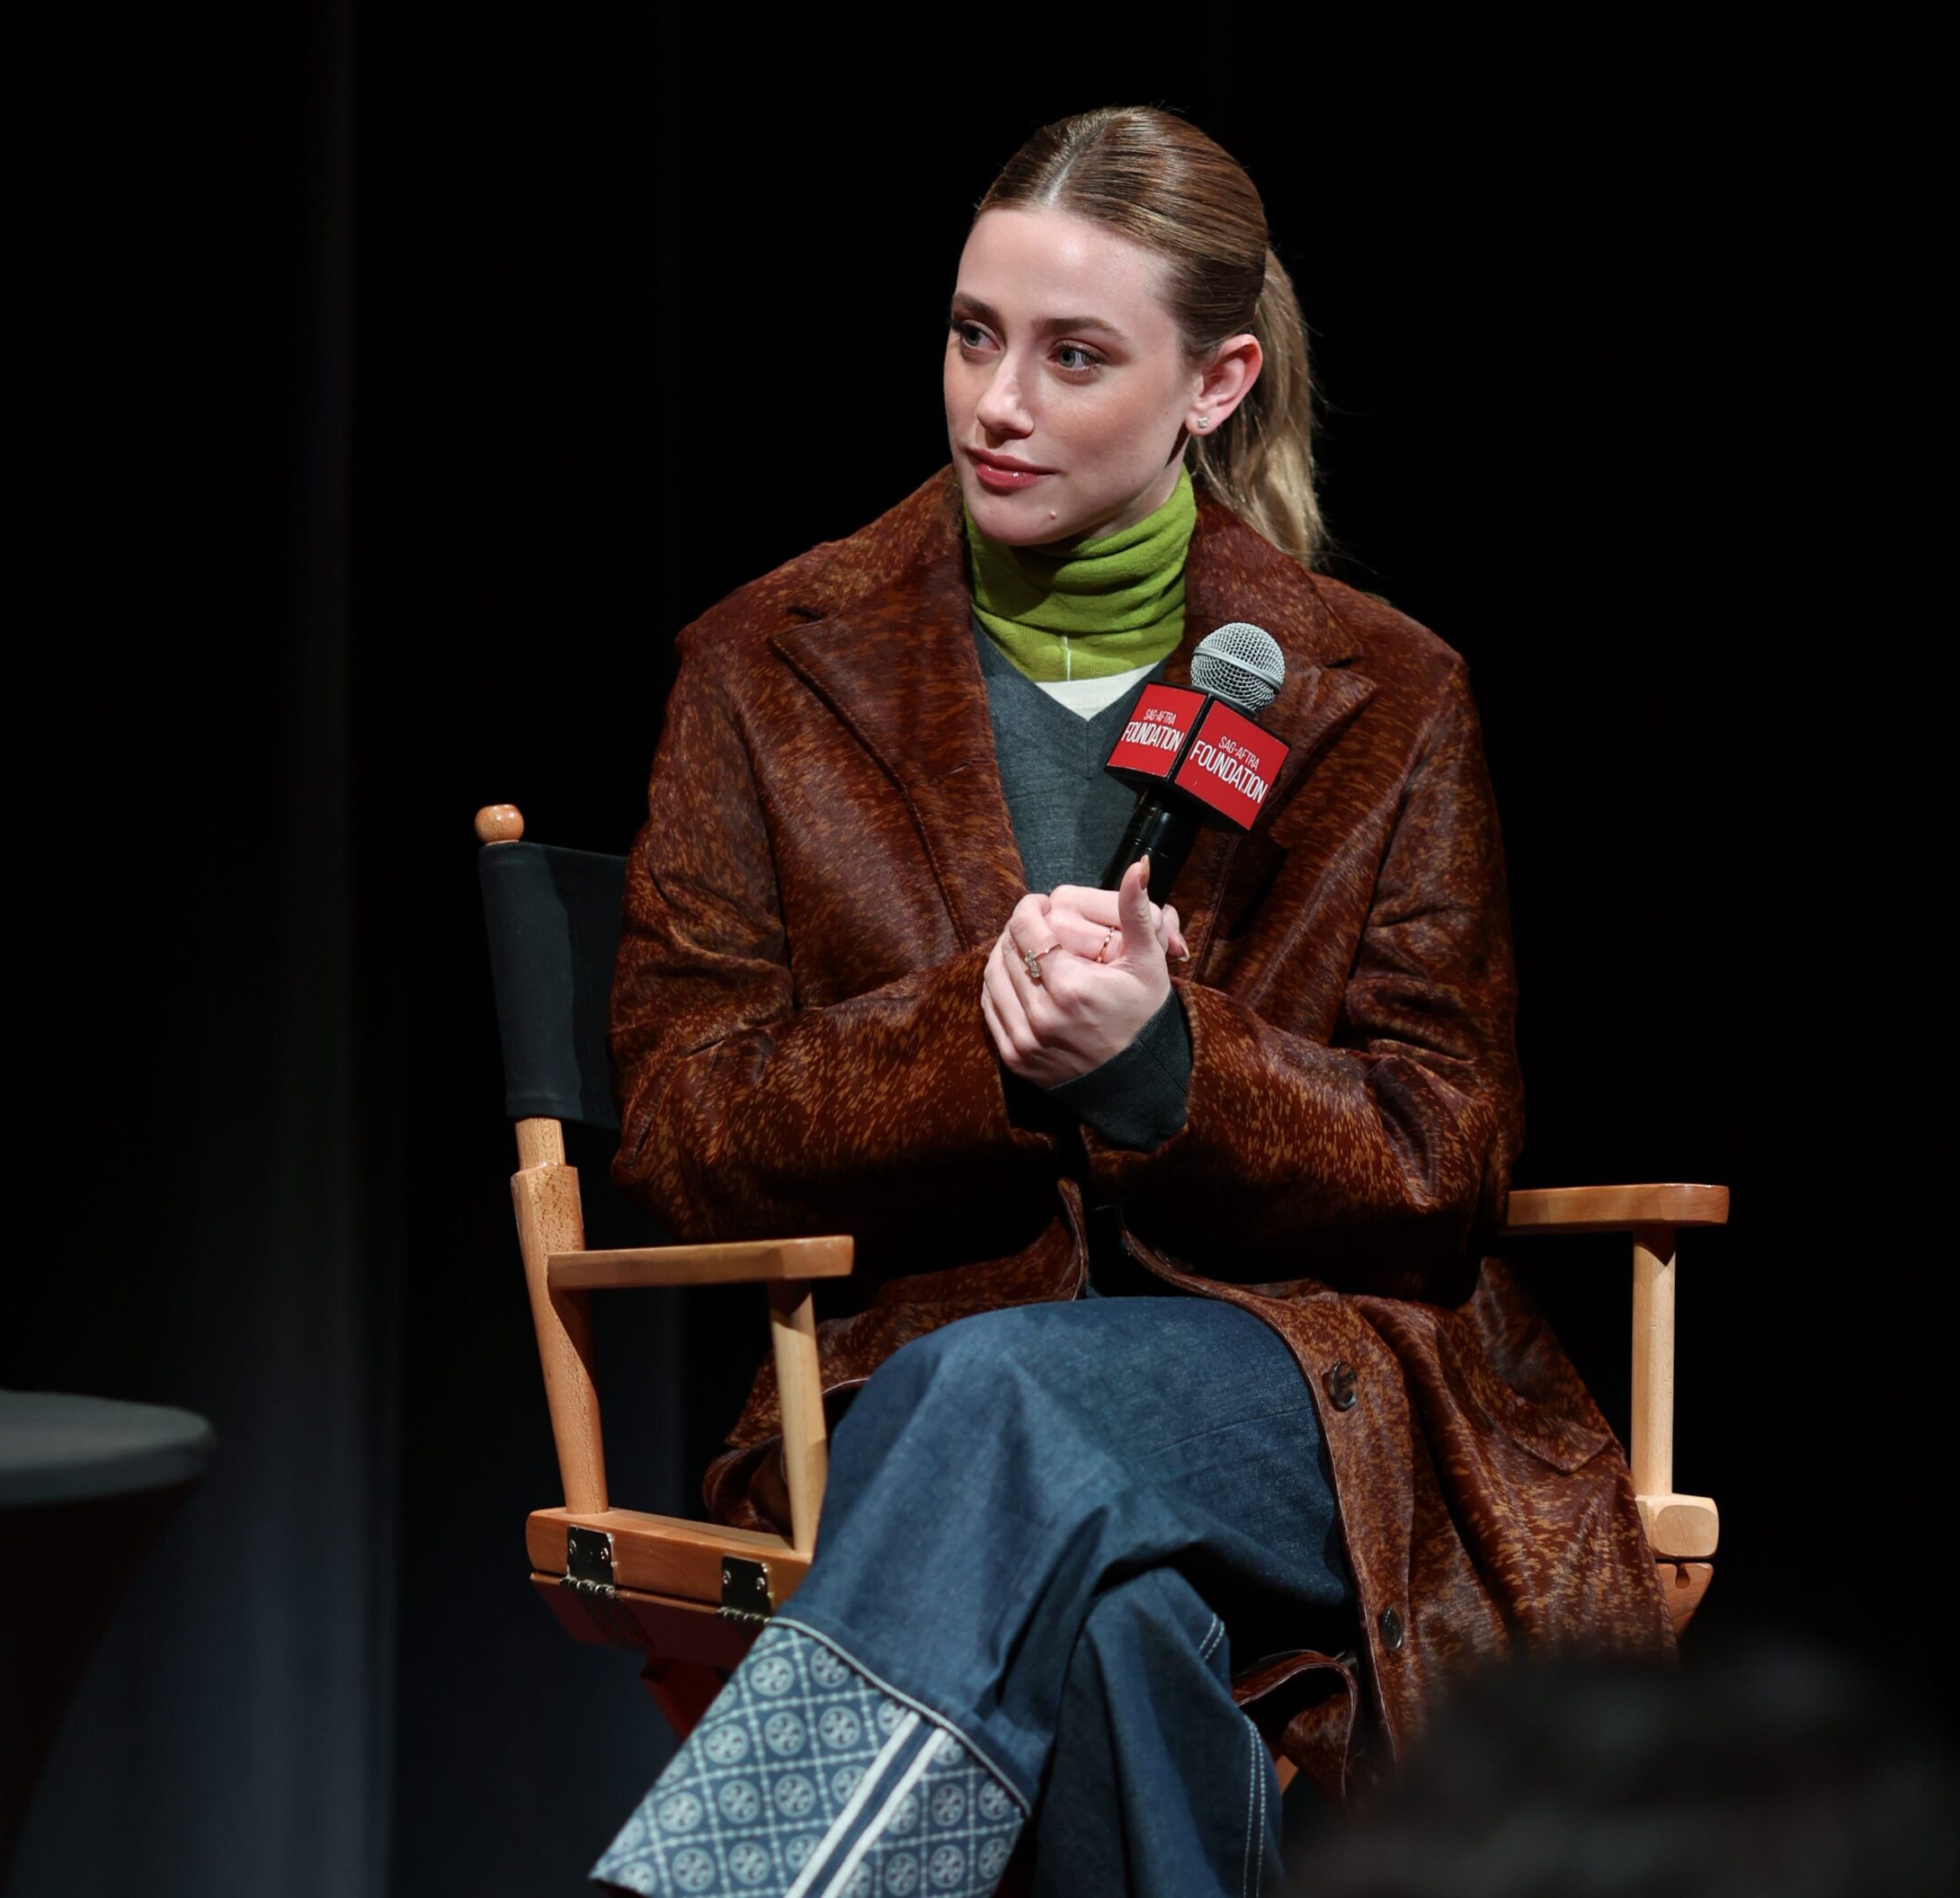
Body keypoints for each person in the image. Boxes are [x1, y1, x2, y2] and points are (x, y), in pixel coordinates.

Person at [589, 106, 1672, 1898]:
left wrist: (1170, 1066)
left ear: (1213, 384)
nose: (995, 403)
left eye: (1072, 355)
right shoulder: (766, 663)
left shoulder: (1380, 689)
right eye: (972, 334)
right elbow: (683, 1128)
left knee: (1001, 1405)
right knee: (1106, 1625)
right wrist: (967, 1034)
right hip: (903, 1392)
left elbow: (1445, 1148)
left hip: (1303, 1387)